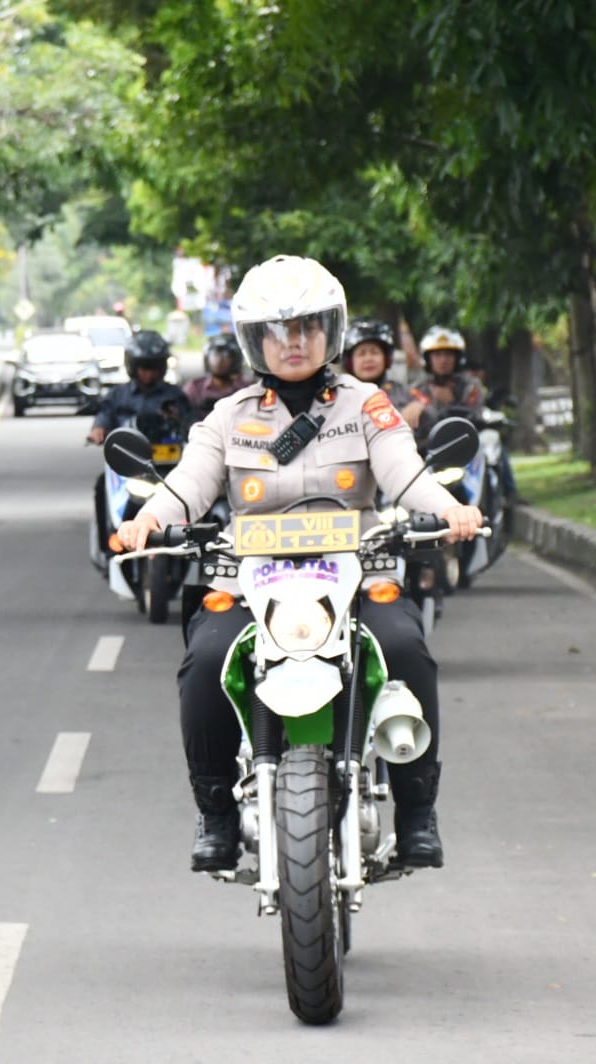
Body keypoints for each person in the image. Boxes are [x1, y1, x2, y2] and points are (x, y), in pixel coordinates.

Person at [115, 255, 482, 874]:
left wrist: (449, 509)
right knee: (205, 661)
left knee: (406, 647)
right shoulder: (228, 416)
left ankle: (418, 811)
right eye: (279, 330)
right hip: (247, 579)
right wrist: (147, 519)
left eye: (308, 326)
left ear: (330, 331)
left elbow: (405, 471)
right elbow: (189, 485)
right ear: (254, 340)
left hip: (360, 571)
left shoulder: (367, 405)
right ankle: (215, 812)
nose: (294, 341)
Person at [86, 330, 192, 445]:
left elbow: (191, 421)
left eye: (154, 367)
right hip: (125, 450)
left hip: (170, 451)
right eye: (144, 368)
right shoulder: (118, 394)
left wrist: (183, 424)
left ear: (162, 367)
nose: (149, 374)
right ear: (133, 366)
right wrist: (99, 428)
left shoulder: (174, 394)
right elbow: (105, 413)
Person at [344, 317, 420, 428]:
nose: (368, 359)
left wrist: (419, 406)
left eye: (374, 352)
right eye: (361, 353)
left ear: (387, 359)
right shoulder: (340, 397)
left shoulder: (403, 392)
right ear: (350, 362)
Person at [405, 325, 483, 430]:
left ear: (457, 358)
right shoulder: (416, 389)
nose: (443, 360)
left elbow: (477, 420)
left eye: (448, 354)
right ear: (427, 358)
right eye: (437, 354)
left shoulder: (470, 387)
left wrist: (451, 403)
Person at [183, 332, 246, 419]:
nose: (219, 361)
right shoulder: (194, 388)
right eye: (215, 355)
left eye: (225, 356)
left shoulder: (244, 390)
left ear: (236, 359)